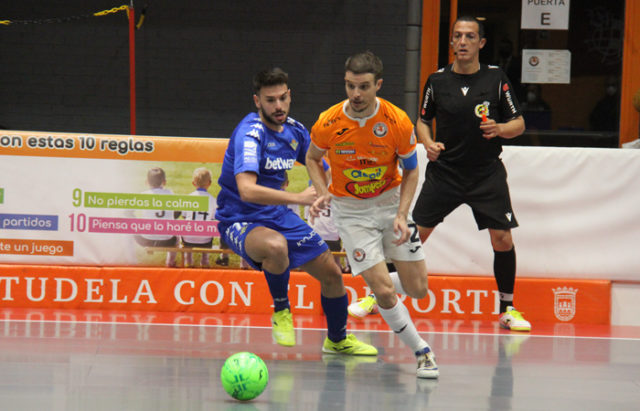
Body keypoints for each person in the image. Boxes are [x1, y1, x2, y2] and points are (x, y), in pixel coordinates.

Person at [214, 67, 377, 356]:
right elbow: (247, 190)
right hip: (239, 218)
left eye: (282, 98)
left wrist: (330, 193)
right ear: (257, 101)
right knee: (276, 248)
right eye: (270, 100)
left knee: (332, 273)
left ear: (290, 96)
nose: (278, 106)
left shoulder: (296, 130)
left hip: (277, 216)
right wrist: (299, 198)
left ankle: (337, 340)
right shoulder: (250, 135)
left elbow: (320, 166)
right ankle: (281, 310)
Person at [306, 51, 439, 379]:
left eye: (363, 86)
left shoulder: (397, 121)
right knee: (385, 291)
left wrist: (402, 213)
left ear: (378, 84)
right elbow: (312, 158)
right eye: (350, 86)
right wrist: (323, 191)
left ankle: (374, 286)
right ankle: (422, 351)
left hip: (391, 204)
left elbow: (411, 172)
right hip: (351, 213)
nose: (355, 94)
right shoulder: (329, 122)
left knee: (419, 288)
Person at [413, 16, 530, 331]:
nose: (462, 42)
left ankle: (508, 308)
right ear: (451, 43)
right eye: (457, 37)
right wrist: (427, 143)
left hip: (485, 174)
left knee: (502, 238)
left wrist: (500, 128)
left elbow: (518, 124)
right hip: (445, 173)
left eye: (469, 36)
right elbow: (422, 121)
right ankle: (375, 295)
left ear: (481, 43)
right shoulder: (436, 81)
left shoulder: (496, 78)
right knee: (413, 237)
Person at [133, 167, 179, 267]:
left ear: (146, 182)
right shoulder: (170, 193)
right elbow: (177, 211)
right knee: (177, 233)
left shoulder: (143, 195)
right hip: (168, 241)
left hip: (145, 239)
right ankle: (170, 262)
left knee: (128, 229)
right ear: (164, 182)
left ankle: (131, 260)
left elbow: (130, 212)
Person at [181, 167, 217, 268]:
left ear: (193, 183)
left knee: (186, 228)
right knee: (209, 228)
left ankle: (189, 261)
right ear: (209, 183)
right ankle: (204, 261)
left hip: (188, 239)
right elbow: (213, 218)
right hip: (205, 240)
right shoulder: (213, 200)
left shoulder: (188, 198)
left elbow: (184, 216)